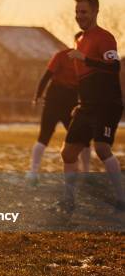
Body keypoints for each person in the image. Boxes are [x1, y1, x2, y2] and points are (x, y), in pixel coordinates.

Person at [60, 0, 124, 212]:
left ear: (96, 11)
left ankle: (122, 199)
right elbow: (85, 80)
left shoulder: (104, 37)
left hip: (107, 104)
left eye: (84, 11)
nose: (79, 16)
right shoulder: (79, 40)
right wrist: (79, 102)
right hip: (87, 106)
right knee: (67, 153)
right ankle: (68, 201)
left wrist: (84, 58)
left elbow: (114, 67)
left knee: (102, 148)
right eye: (77, 12)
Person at [27, 33, 91, 184]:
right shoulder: (61, 56)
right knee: (44, 136)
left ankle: (87, 173)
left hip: (72, 103)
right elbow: (47, 76)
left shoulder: (87, 61)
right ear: (75, 42)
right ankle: (33, 172)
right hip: (54, 101)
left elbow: (88, 85)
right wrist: (37, 95)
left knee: (83, 138)